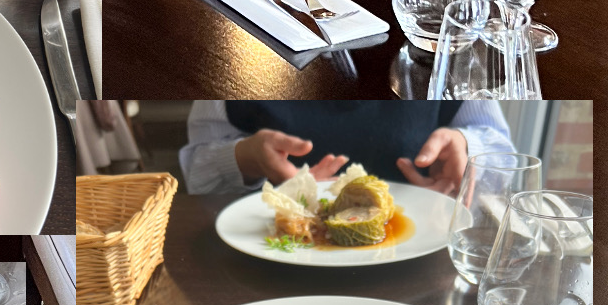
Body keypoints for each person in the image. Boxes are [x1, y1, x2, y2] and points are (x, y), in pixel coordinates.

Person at [179, 100, 516, 198]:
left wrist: (466, 150)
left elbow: (504, 157)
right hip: (273, 260)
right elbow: (196, 171)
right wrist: (245, 158)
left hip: (417, 257)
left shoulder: (449, 33)